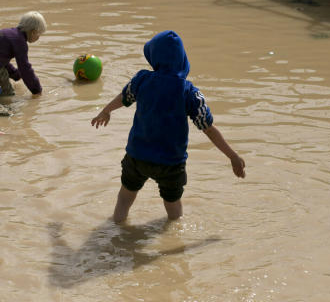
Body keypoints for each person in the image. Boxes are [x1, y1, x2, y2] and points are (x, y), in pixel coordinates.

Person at [90, 30, 245, 223]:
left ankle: (116, 229)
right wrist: (233, 156)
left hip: (137, 157)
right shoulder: (189, 92)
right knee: (173, 208)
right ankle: (174, 241)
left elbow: (124, 97)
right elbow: (208, 128)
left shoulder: (142, 80)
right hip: (171, 163)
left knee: (125, 198)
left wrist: (106, 111)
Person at [0, 11, 46, 96]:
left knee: (3, 82)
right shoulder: (20, 42)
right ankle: (1, 107)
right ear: (33, 32)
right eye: (39, 34)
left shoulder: (11, 33)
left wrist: (15, 74)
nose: (38, 37)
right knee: (8, 94)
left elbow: (0, 58)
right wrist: (36, 90)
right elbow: (25, 68)